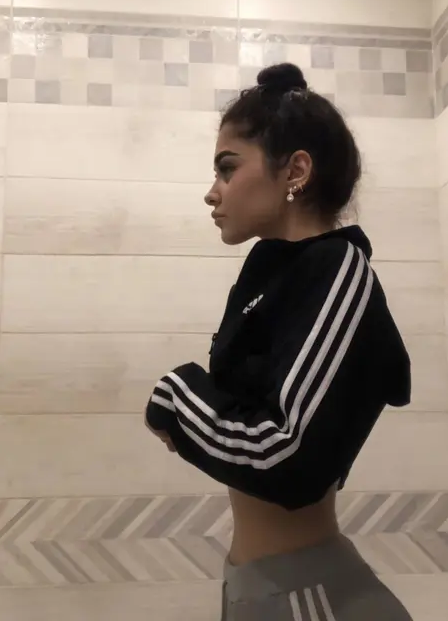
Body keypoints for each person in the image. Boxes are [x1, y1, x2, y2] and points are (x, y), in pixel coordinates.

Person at [145, 63, 413, 620]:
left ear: (295, 170)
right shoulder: (271, 272)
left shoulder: (338, 269)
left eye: (227, 168)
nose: (211, 193)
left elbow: (287, 458)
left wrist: (175, 396)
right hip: (258, 587)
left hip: (310, 594)